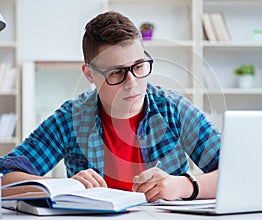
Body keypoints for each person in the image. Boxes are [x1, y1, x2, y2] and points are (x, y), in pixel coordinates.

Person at [0, 11, 221, 202]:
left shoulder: (174, 109)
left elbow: (237, 172)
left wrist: (185, 186)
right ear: (90, 74)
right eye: (116, 72)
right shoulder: (71, 118)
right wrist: (65, 186)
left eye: (139, 66)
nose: (132, 83)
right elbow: (5, 178)